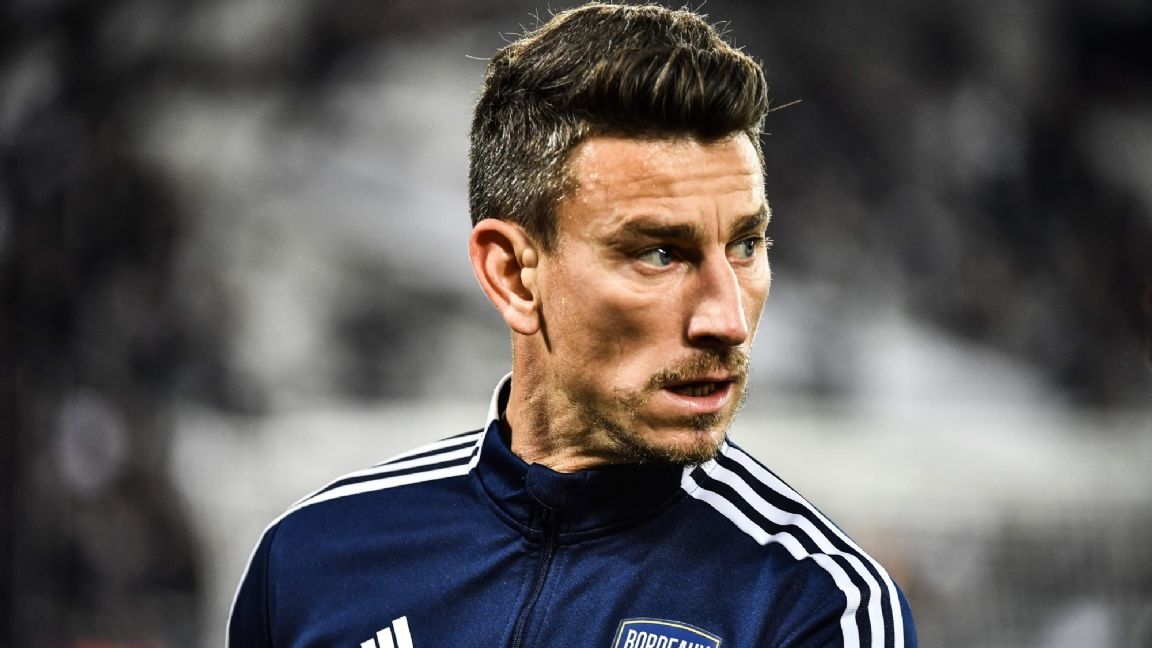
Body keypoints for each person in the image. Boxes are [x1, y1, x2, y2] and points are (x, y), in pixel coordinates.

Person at [228, 3, 917, 646]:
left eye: (745, 245)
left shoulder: (814, 609)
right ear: (513, 274)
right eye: (659, 253)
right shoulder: (312, 559)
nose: (727, 319)